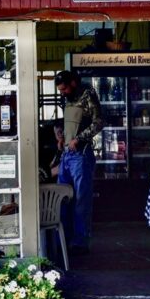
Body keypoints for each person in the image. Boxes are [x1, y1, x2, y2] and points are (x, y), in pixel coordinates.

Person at [54, 70, 104, 252]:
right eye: (60, 90)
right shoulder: (66, 98)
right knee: (62, 199)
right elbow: (65, 122)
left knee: (81, 200)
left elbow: (98, 122)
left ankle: (80, 243)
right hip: (66, 155)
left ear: (73, 83)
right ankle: (63, 240)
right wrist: (60, 136)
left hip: (81, 154)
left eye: (65, 88)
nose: (62, 92)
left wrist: (79, 139)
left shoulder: (87, 94)